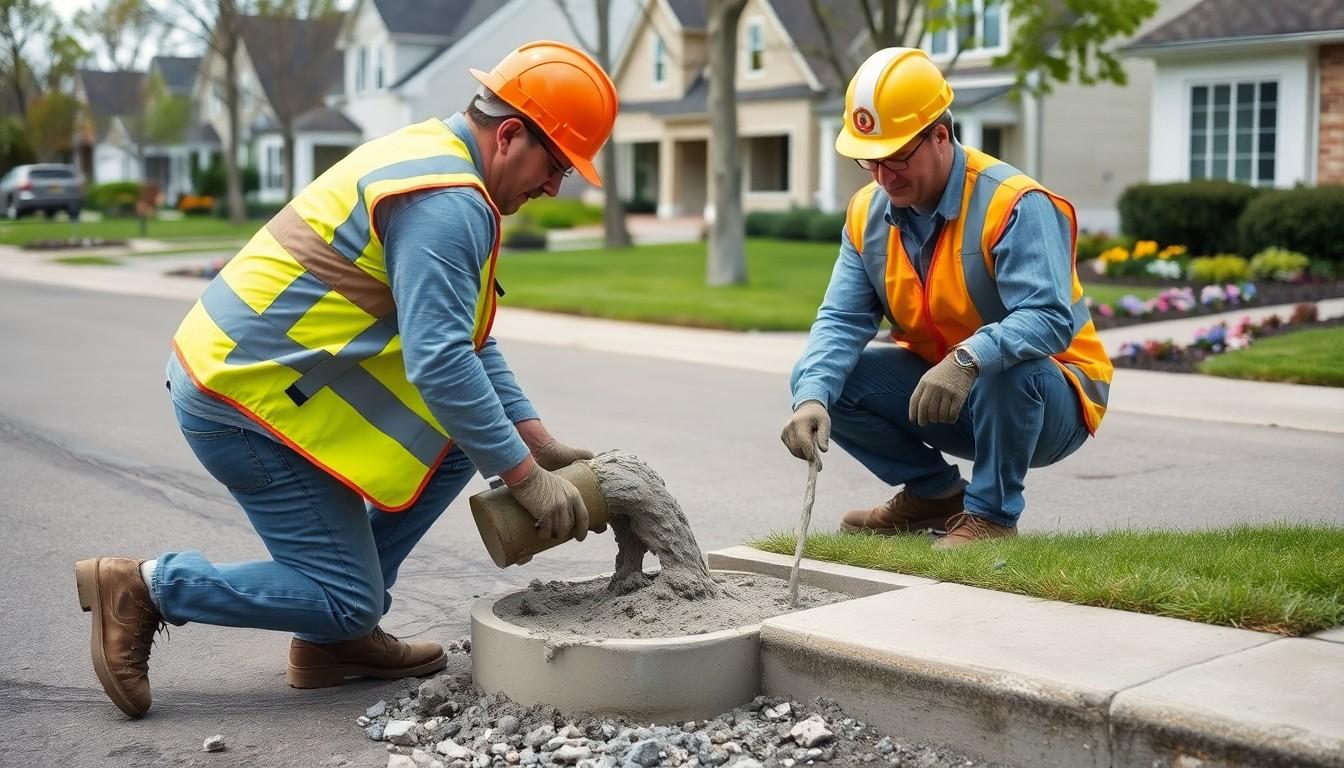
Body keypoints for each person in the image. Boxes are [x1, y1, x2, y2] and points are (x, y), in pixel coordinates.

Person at [73, 40, 619, 718]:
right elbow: (442, 365)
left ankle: (339, 641)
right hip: (239, 403)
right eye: (556, 164)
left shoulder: (436, 160)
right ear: (510, 134)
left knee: (460, 438)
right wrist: (524, 479)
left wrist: (536, 442)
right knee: (345, 592)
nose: (553, 187)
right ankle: (148, 587)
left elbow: (468, 341)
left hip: (258, 377)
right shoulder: (447, 204)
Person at [780, 48, 1112, 548]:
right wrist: (811, 398)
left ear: (941, 135)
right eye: (870, 161)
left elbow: (1048, 319)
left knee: (1010, 368)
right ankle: (936, 495)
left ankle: (992, 518)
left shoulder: (1014, 203)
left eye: (897, 158)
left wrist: (969, 358)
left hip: (1052, 397)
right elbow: (841, 320)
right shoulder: (867, 212)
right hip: (945, 389)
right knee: (823, 376)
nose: (884, 177)